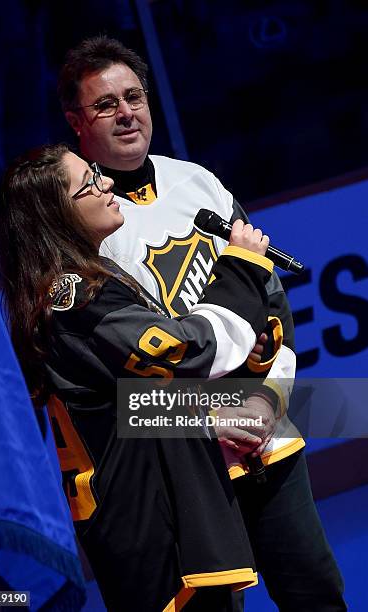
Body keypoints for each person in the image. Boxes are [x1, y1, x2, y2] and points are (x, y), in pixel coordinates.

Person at [57, 36, 347, 611]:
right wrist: (208, 424)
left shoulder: (198, 182)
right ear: (75, 122)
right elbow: (117, 377)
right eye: (105, 105)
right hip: (184, 463)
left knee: (318, 593)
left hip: (267, 435)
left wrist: (267, 401)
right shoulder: (83, 225)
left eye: (134, 96)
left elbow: (270, 300)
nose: (126, 113)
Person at [0, 143, 285, 612]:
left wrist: (206, 417)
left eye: (94, 173)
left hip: (163, 507)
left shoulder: (82, 280)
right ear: (54, 217)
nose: (106, 182)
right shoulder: (74, 298)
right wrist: (240, 269)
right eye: (89, 183)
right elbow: (183, 351)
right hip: (147, 524)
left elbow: (120, 404)